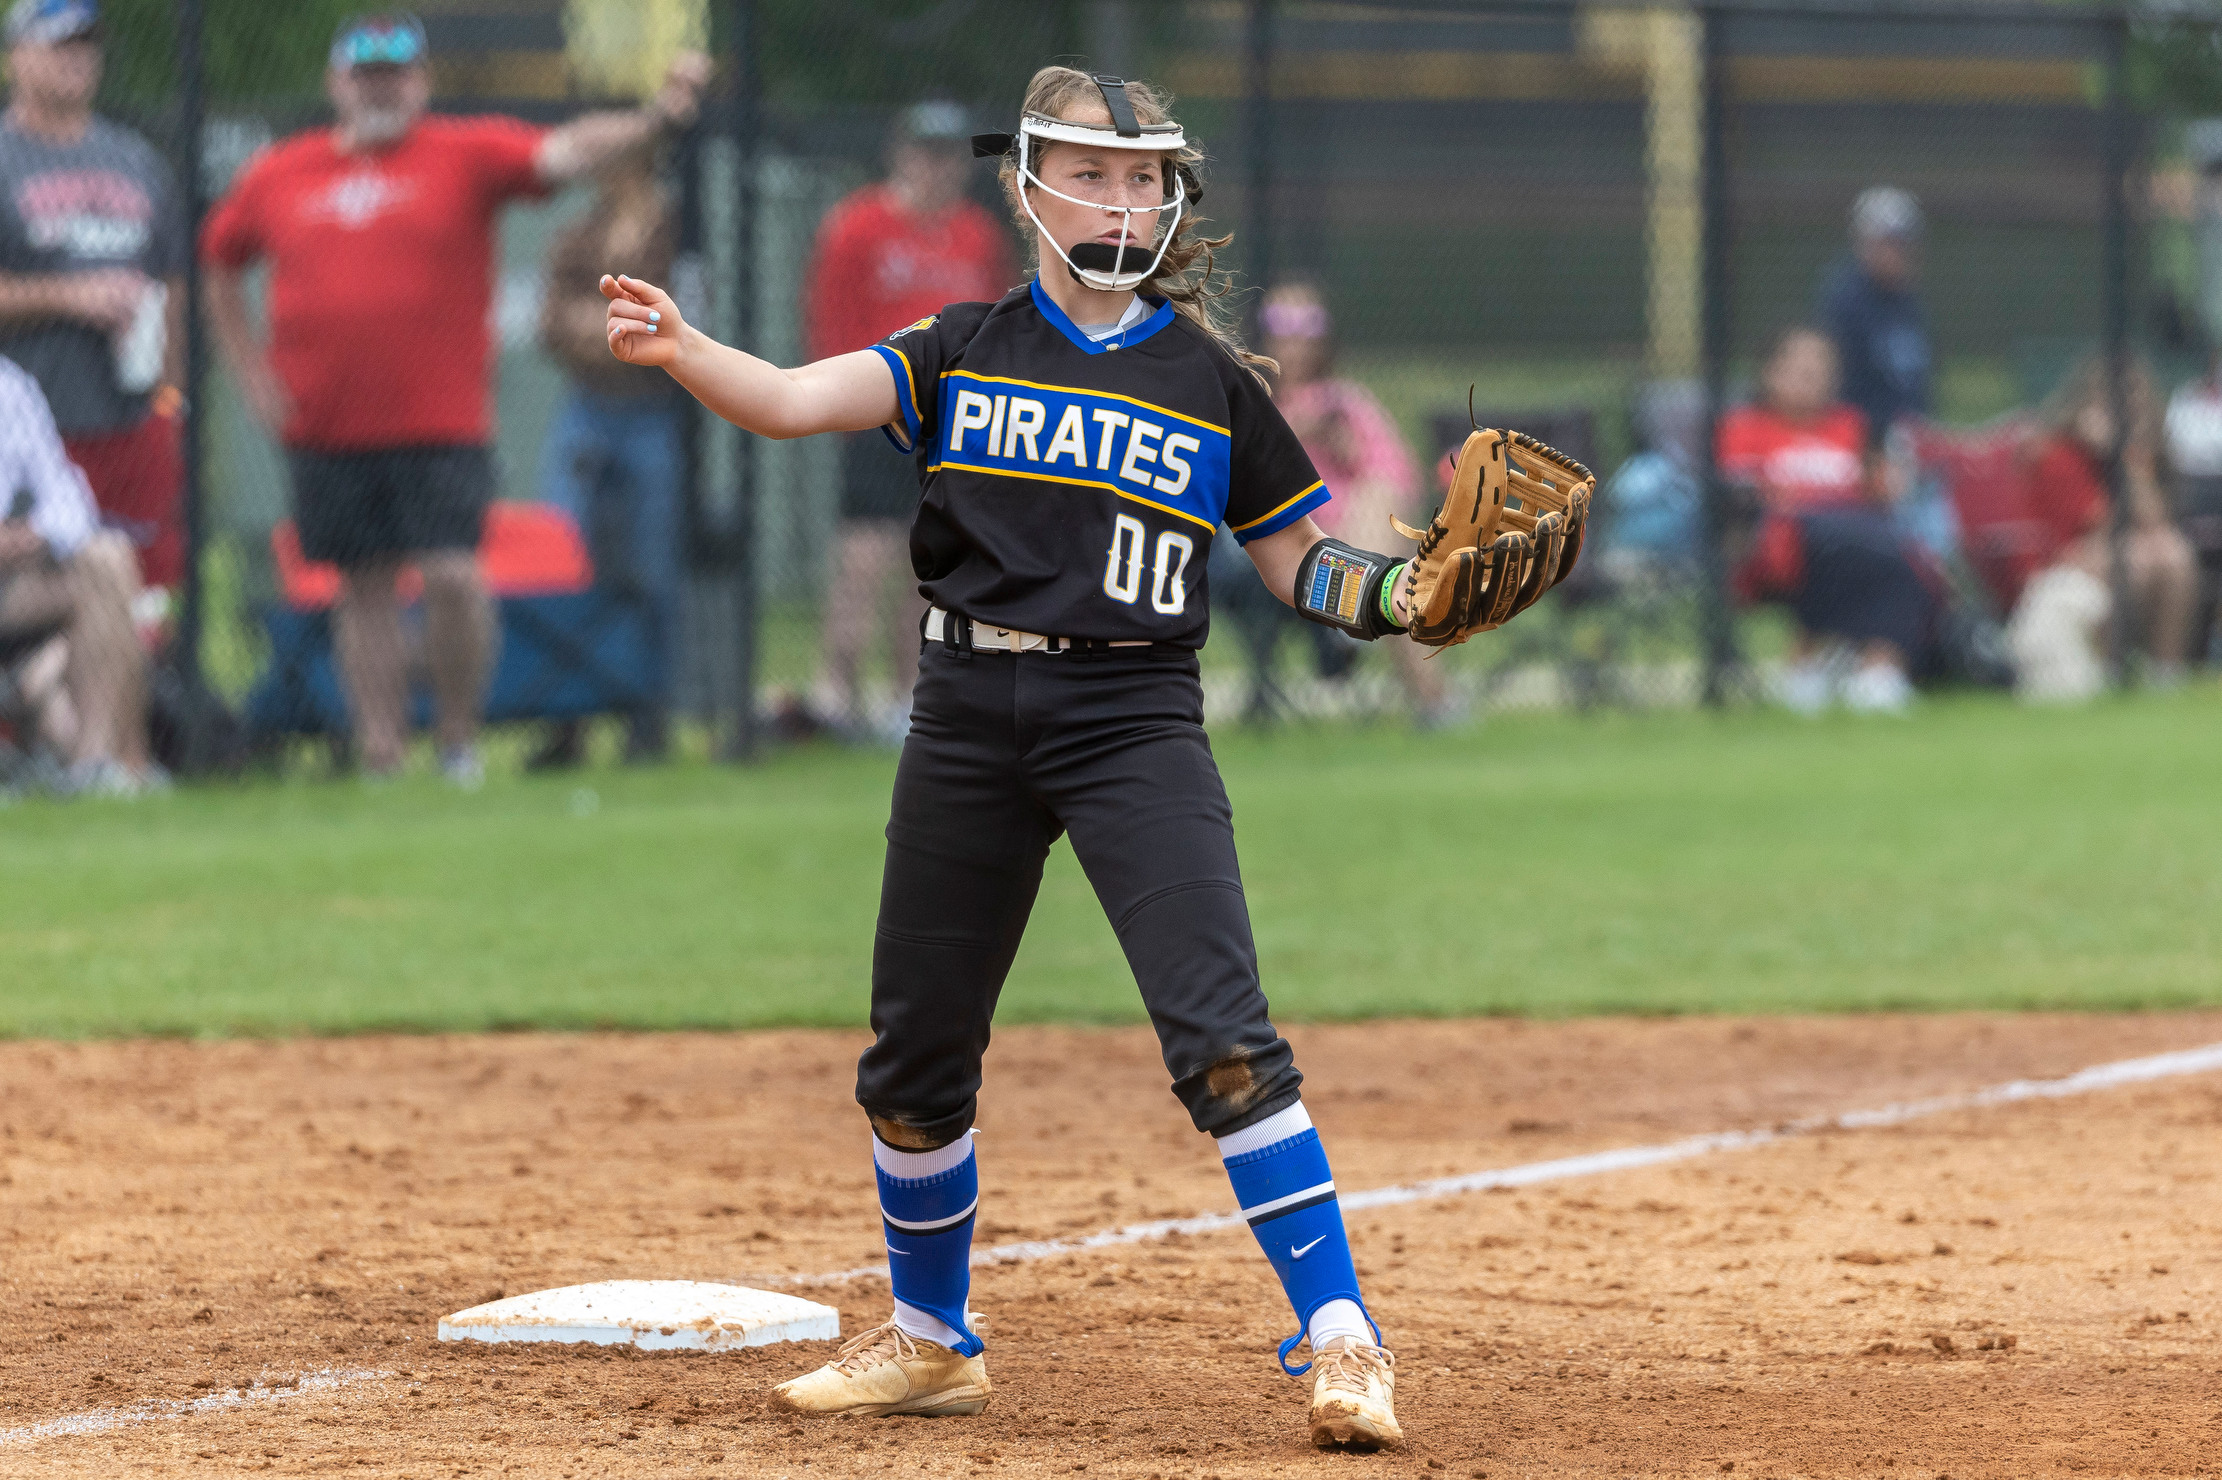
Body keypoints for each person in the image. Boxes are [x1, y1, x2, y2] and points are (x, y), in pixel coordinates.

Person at [602, 68, 1408, 1449]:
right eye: (1090, 172)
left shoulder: (1209, 380)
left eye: (1142, 175)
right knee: (915, 1060)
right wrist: (686, 349)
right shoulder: (963, 341)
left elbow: (1298, 562)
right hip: (965, 712)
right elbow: (797, 403)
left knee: (1221, 1043)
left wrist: (1394, 599)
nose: (1121, 197)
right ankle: (930, 1339)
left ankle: (1343, 1342)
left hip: (1132, 720)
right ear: (1026, 184)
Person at [199, 13, 708, 786]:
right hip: (326, 424)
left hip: (438, 422)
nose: (381, 90)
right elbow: (219, 261)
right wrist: (250, 374)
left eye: (396, 75)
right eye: (366, 76)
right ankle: (381, 755)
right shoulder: (281, 171)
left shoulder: (461, 154)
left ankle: (459, 743)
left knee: (454, 577)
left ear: (421, 82)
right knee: (361, 587)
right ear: (338, 83)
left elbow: (566, 151)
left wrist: (658, 118)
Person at [802, 100, 1014, 742]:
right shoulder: (858, 226)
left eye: (948, 156)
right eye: (924, 152)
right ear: (900, 153)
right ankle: (835, 690)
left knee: (931, 567)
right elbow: (829, 323)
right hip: (880, 410)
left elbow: (997, 324)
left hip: (954, 420)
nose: (936, 168)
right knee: (864, 559)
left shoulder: (977, 234)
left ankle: (908, 696)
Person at [0, 0, 188, 598]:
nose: (77, 59)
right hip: (29, 437)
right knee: (61, 596)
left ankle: (150, 691)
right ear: (15, 58)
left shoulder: (136, 160)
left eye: (87, 45)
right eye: (60, 45)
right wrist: (69, 295)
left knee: (145, 595)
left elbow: (173, 286)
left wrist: (171, 397)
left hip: (132, 420)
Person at [1220, 280, 1448, 723]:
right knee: (1404, 582)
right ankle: (1435, 701)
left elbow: (1397, 473)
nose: (1294, 339)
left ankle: (1358, 610)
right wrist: (1293, 432)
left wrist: (1344, 446)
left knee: (1382, 515)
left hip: (1365, 524)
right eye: (1282, 324)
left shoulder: (1344, 400)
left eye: (1306, 326)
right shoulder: (1250, 399)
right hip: (1287, 537)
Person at [529, 154, 683, 769]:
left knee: (652, 566)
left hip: (654, 413)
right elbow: (550, 322)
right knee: (564, 556)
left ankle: (648, 716)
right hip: (586, 410)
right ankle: (567, 718)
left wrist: (601, 328)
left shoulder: (676, 231)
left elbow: (672, 326)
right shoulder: (579, 234)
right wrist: (615, 331)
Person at [1718, 325, 1939, 714]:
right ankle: (1820, 661)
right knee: (1848, 541)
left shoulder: (1850, 425)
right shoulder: (1745, 427)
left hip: (1860, 538)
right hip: (1781, 546)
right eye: (1801, 366)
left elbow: (1880, 489)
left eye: (1822, 366)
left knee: (1905, 553)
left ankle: (1877, 669)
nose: (1814, 375)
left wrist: (1889, 483)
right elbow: (1740, 498)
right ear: (1770, 372)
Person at [0, 353, 155, 793]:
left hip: (13, 582)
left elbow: (67, 494)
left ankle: (94, 770)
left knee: (107, 560)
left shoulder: (10, 387)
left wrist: (36, 535)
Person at [2002, 354, 2198, 696]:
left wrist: (2125, 459)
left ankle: (2165, 673)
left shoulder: (2142, 453)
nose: (2126, 409)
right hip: (2054, 564)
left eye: (2135, 398)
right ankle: (2111, 666)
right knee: (2138, 561)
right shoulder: (2060, 454)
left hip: (2111, 550)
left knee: (2174, 555)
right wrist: (2116, 455)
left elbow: (2154, 520)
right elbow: (2098, 527)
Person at [1820, 187, 1930, 441]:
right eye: (1886, 243)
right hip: (1864, 438)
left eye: (1903, 244)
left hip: (1910, 433)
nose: (1896, 253)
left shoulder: (1908, 301)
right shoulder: (1845, 302)